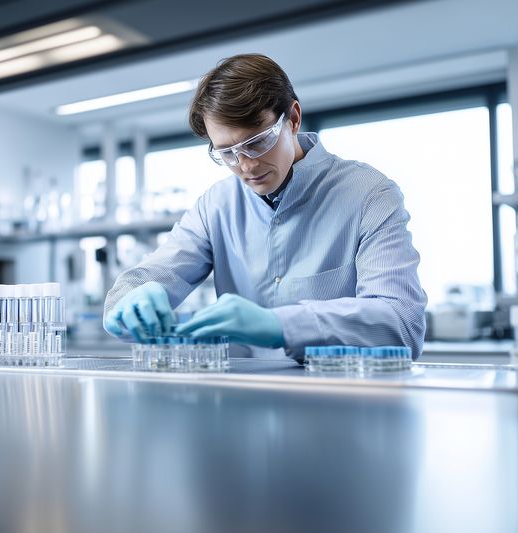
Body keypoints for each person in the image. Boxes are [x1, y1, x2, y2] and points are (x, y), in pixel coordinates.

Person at [103, 53, 426, 361]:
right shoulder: (216, 205)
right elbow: (148, 279)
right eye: (227, 152)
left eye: (257, 142)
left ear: (294, 119)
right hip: (244, 401)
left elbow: (401, 323)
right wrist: (135, 297)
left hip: (340, 401)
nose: (246, 165)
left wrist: (281, 326)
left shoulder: (368, 193)